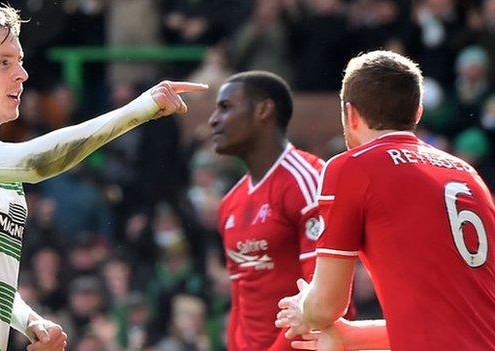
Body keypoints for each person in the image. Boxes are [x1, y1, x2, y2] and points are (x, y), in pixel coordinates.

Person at [0, 5, 207, 351]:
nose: (22, 74)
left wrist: (29, 321)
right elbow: (37, 161)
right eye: (4, 62)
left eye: (20, 61)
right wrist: (139, 109)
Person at [275, 50, 495, 350]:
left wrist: (306, 307)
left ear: (350, 114)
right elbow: (461, 320)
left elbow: (326, 307)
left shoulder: (352, 167)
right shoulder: (467, 174)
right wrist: (352, 337)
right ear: (417, 112)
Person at [208, 71, 324, 350]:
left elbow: (322, 294)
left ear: (263, 109)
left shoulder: (308, 180)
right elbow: (241, 301)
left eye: (225, 107)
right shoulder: (230, 203)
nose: (213, 119)